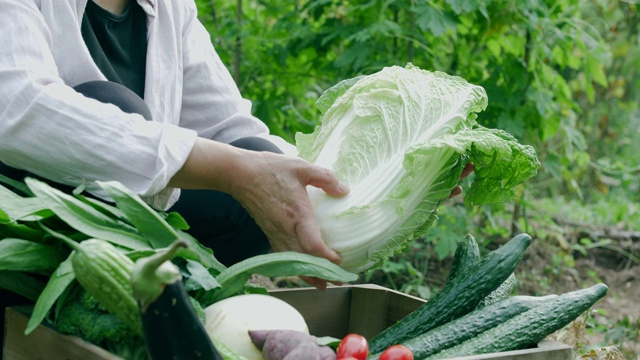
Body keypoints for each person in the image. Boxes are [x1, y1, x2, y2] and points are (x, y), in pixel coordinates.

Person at [0, 0, 471, 291]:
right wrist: (230, 169)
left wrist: (393, 187)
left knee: (255, 157)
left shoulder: (171, 9)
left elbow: (228, 127)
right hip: (26, 227)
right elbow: (16, 108)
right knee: (112, 105)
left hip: (131, 232)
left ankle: (159, 308)